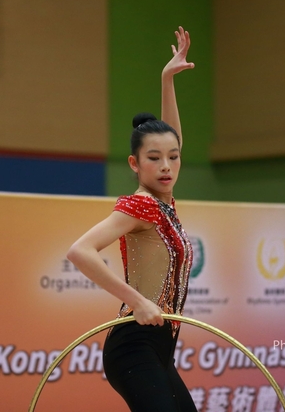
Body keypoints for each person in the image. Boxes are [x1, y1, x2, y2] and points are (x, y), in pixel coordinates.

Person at [67, 26, 197, 412]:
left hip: (162, 348)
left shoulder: (166, 205)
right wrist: (136, 301)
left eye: (173, 157)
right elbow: (79, 251)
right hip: (134, 345)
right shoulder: (140, 205)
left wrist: (167, 79)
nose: (166, 165)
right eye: (153, 158)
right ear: (134, 164)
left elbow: (171, 137)